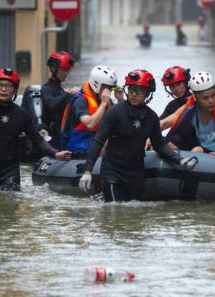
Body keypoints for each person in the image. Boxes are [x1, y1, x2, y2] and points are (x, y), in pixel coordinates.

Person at [78, 69, 198, 202]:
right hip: (113, 170)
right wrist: (88, 171)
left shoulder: (151, 118)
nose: (134, 94)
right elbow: (98, 141)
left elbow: (159, 145)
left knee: (133, 211)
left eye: (139, 91)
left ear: (147, 93)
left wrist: (180, 160)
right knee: (112, 210)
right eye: (131, 90)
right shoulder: (114, 112)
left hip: (135, 173)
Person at [165, 71, 215, 166]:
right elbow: (165, 122)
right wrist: (150, 135)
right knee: (195, 150)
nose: (211, 101)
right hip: (204, 154)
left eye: (213, 95)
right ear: (195, 97)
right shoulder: (190, 108)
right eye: (205, 98)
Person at [59, 65, 118, 155]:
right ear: (96, 84)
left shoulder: (105, 100)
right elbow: (89, 124)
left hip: (96, 149)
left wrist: (120, 100)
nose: (109, 91)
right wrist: (103, 104)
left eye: (111, 88)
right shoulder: (80, 101)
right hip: (78, 152)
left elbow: (119, 120)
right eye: (107, 88)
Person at [40, 51, 78, 148]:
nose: (66, 73)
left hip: (63, 135)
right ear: (53, 68)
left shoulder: (60, 89)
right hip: (51, 138)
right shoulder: (46, 88)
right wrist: (68, 94)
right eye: (63, 70)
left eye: (67, 70)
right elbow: (51, 105)